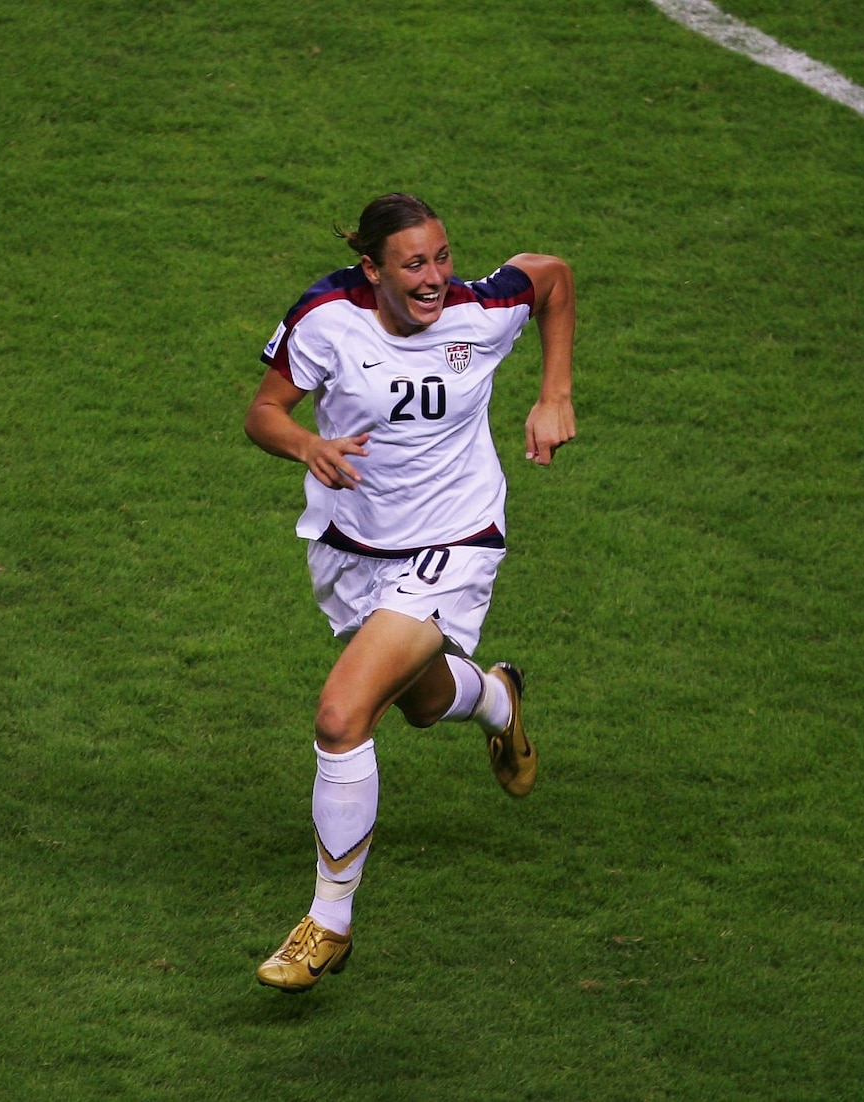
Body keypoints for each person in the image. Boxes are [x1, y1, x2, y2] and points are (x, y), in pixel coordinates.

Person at [243, 192, 577, 992]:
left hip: (454, 541)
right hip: (353, 549)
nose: (436, 280)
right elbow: (263, 412)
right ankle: (497, 699)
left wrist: (553, 391)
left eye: (443, 258)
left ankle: (328, 923)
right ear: (373, 269)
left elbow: (554, 278)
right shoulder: (326, 318)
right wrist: (306, 444)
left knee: (341, 716)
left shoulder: (482, 309)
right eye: (415, 265)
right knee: (424, 704)